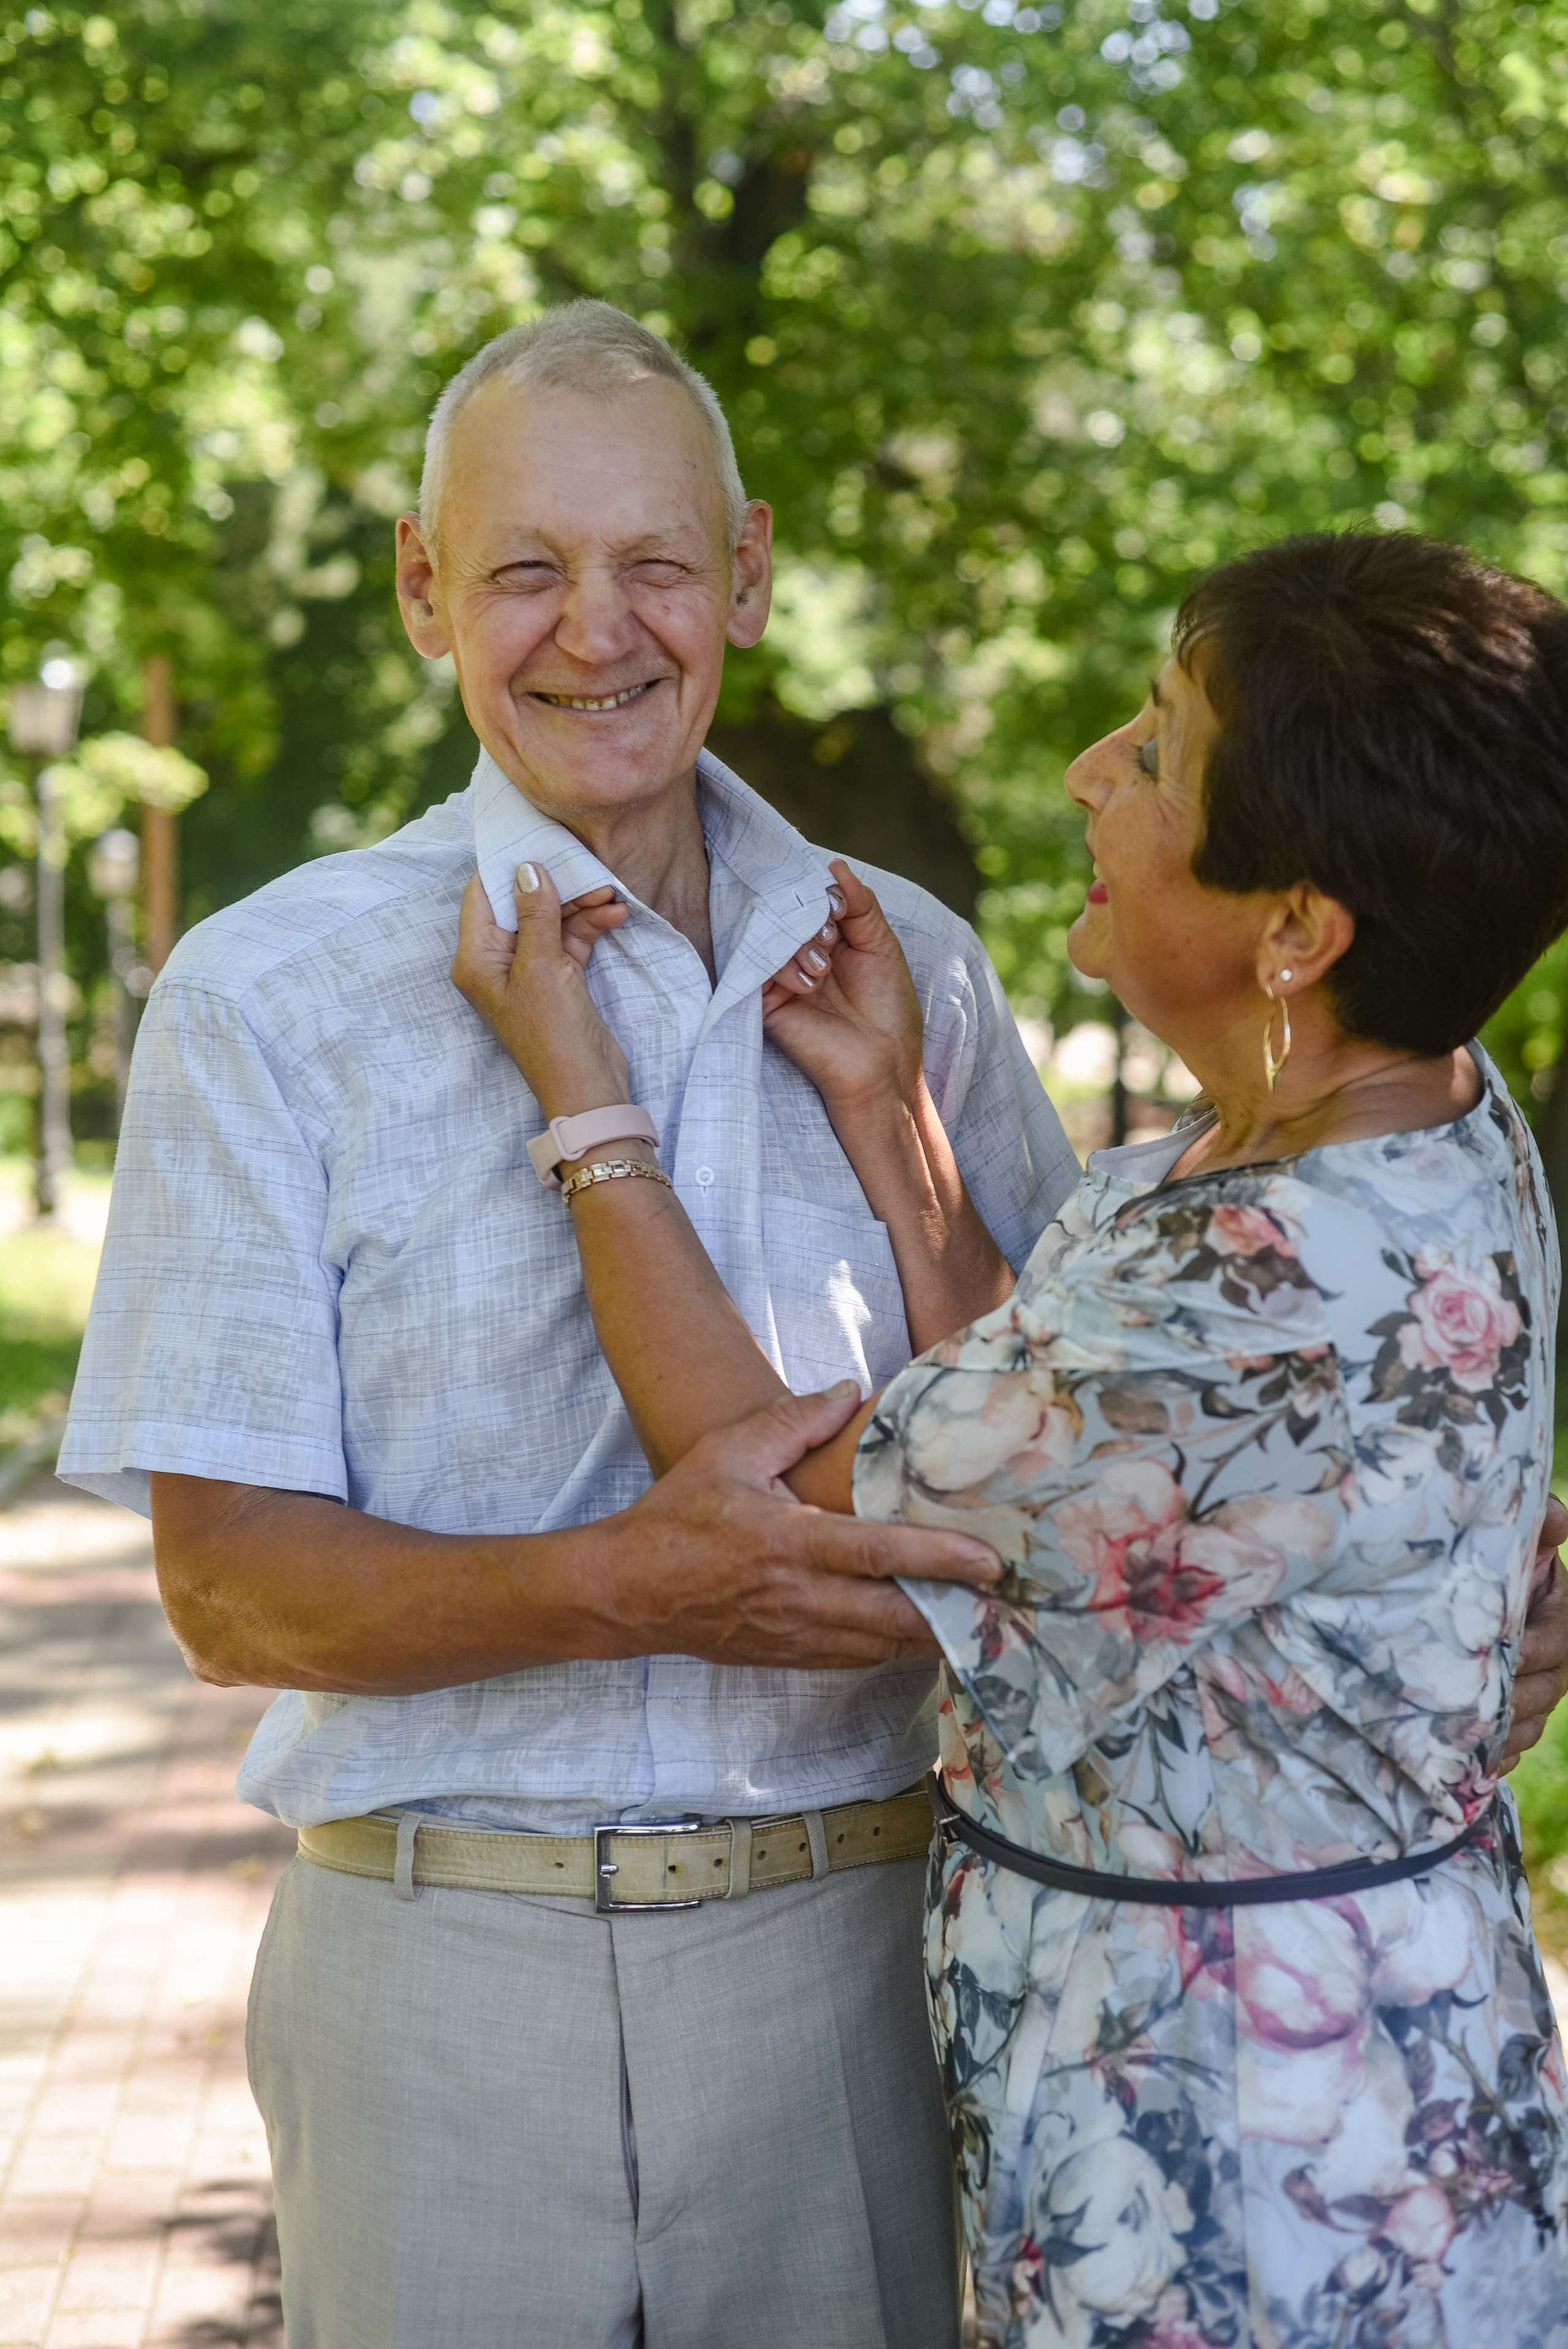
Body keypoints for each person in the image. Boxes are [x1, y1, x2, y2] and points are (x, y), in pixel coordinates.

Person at [56, 300, 1079, 2348]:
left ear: (754, 575)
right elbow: (227, 1589)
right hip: (439, 1977)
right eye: (525, 567)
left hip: (854, 1962)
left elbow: (1056, 1456)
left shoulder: (915, 971)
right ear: (429, 589)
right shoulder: (270, 994)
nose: (594, 630)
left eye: (655, 565)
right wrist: (627, 1582)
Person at [453, 530, 1568, 2345]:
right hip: (1369, 2092)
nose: (1089, 775)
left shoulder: (1264, 1271)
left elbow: (776, 1493)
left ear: (1298, 927)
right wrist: (900, 1123)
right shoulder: (1420, 1103)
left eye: (1154, 751)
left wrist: (589, 1103)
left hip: (1246, 2176)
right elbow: (1089, 1459)